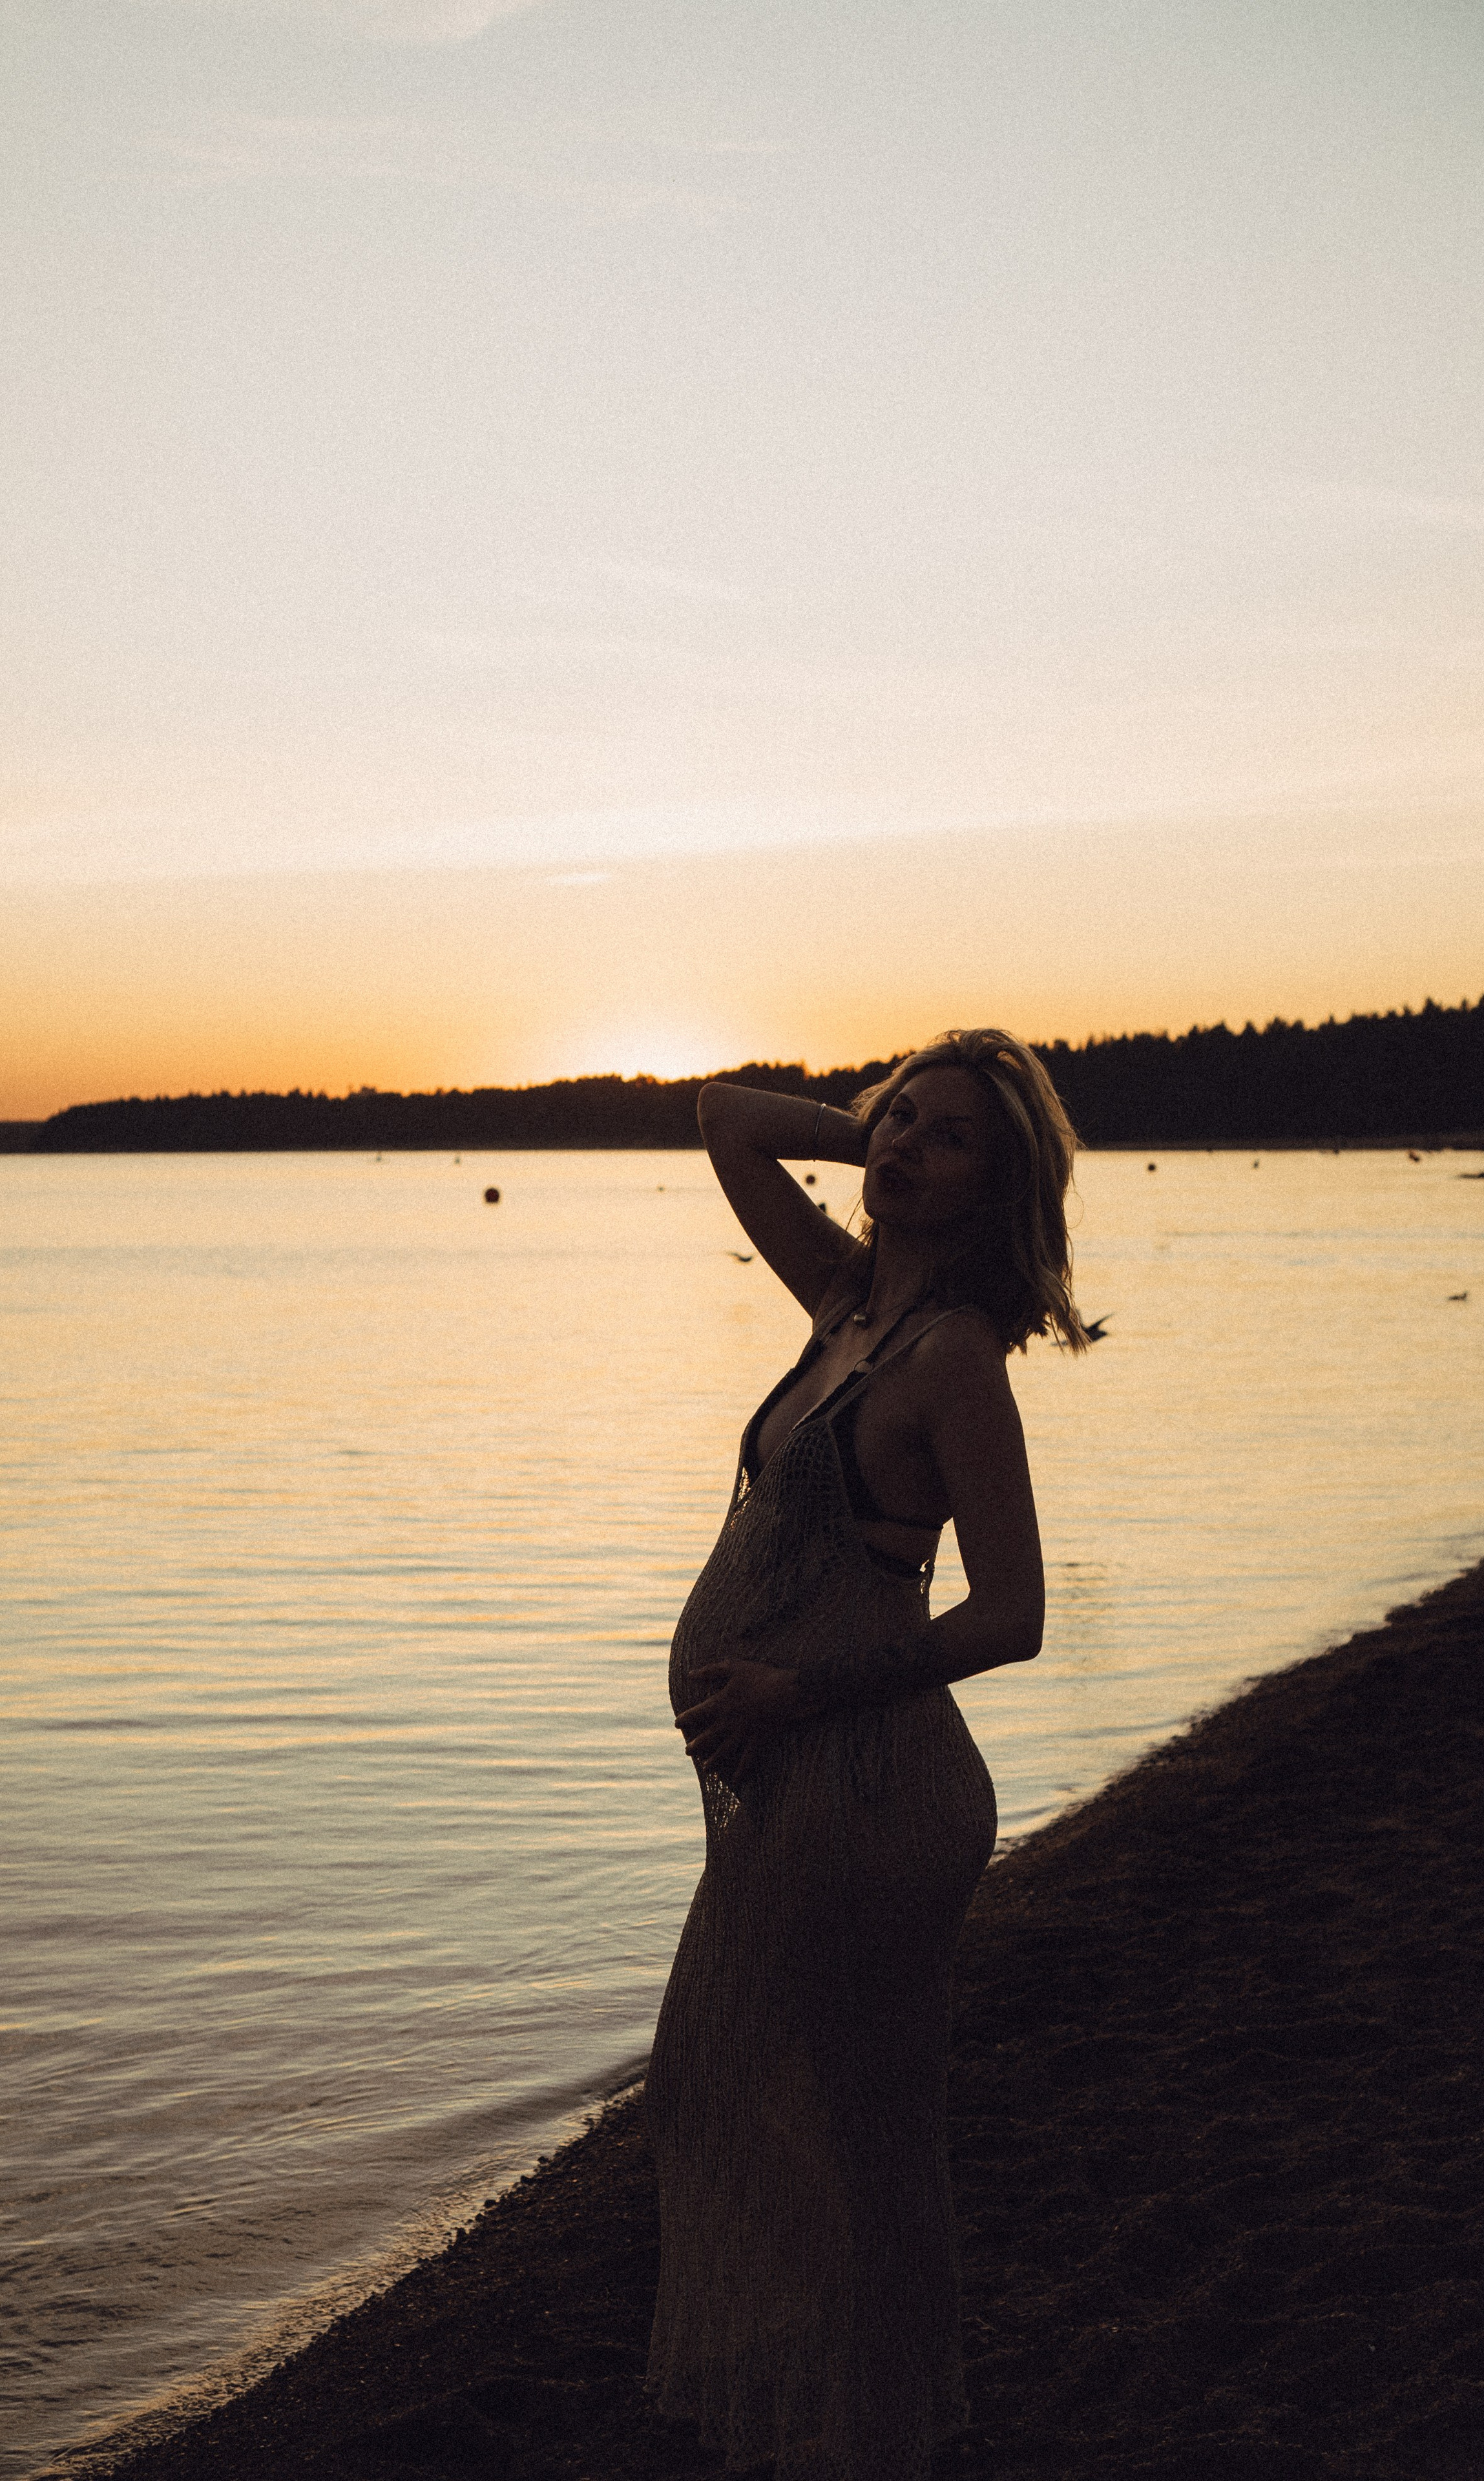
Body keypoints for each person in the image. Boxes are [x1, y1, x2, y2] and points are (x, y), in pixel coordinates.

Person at [644, 1029, 1087, 2481]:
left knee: (803, 2115)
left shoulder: (953, 1361)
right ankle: (852, 2420)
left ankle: (857, 2430)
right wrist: (881, 1132)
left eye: (945, 1137)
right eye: (896, 1117)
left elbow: (1013, 1616)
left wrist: (795, 1692)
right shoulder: (842, 1298)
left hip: (867, 1788)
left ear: (997, 1182)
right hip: (790, 1787)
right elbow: (721, 1117)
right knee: (797, 2117)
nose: (899, 1144)